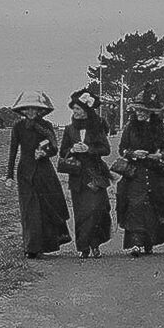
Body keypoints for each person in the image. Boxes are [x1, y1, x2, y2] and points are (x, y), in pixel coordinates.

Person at [115, 84, 164, 256]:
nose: (139, 114)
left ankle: (149, 243)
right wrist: (133, 153)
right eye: (138, 111)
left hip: (153, 172)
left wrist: (159, 156)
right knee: (135, 205)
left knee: (153, 207)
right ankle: (135, 244)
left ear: (150, 113)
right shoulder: (130, 127)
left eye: (143, 111)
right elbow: (122, 149)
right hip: (134, 173)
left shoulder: (158, 127)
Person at [6, 90, 72, 259]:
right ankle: (31, 248)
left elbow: (54, 148)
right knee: (29, 210)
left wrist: (45, 153)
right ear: (22, 110)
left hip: (44, 172)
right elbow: (13, 151)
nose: (31, 113)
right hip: (25, 173)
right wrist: (9, 175)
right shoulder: (18, 127)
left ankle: (44, 245)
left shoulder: (47, 127)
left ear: (40, 110)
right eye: (27, 109)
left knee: (46, 208)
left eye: (34, 109)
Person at [59, 88, 112, 259]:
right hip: (77, 177)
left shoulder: (97, 127)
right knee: (81, 213)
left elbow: (106, 149)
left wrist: (89, 149)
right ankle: (83, 247)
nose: (75, 112)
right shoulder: (69, 130)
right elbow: (62, 152)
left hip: (95, 175)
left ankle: (95, 243)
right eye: (74, 109)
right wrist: (72, 149)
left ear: (86, 110)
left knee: (97, 210)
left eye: (78, 109)